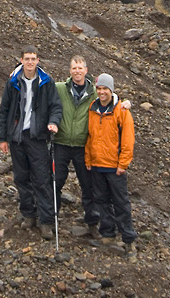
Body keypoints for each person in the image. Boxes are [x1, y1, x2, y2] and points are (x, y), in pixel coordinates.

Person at [0, 46, 62, 239]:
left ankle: (46, 221)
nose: (30, 62)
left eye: (33, 59)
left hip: (38, 137)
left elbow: (56, 107)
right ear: (21, 60)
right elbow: (5, 109)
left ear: (38, 60)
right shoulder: (13, 82)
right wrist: (2, 137)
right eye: (27, 59)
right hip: (17, 138)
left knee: (42, 179)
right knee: (21, 178)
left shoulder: (46, 82)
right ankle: (28, 214)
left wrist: (53, 122)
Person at [84, 73, 137, 260]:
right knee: (101, 201)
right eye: (99, 89)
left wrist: (123, 164)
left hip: (115, 167)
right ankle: (107, 234)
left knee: (121, 203)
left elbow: (128, 140)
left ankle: (129, 240)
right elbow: (90, 137)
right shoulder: (93, 108)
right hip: (97, 165)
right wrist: (89, 160)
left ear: (111, 90)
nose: (101, 92)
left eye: (105, 89)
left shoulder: (121, 111)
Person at [54, 55, 99, 237]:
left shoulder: (95, 93)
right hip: (61, 143)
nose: (77, 71)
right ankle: (50, 219)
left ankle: (93, 223)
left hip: (83, 146)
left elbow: (111, 100)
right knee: (55, 181)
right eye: (74, 68)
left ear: (86, 71)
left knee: (88, 185)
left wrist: (125, 102)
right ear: (70, 70)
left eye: (80, 68)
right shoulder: (59, 88)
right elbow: (38, 86)